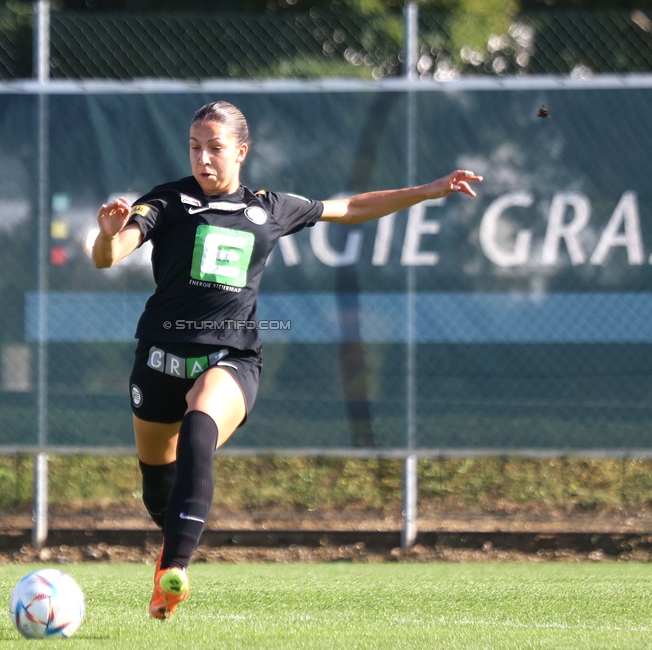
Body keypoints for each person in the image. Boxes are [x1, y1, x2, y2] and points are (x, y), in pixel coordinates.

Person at [92, 101, 481, 620]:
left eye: (215, 148)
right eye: (194, 147)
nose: (203, 159)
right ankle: (172, 542)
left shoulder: (269, 209)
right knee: (157, 490)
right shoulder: (168, 200)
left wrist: (430, 189)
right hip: (159, 360)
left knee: (199, 432)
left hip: (231, 359)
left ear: (241, 151)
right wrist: (106, 233)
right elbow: (110, 256)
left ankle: (173, 572)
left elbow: (352, 208)